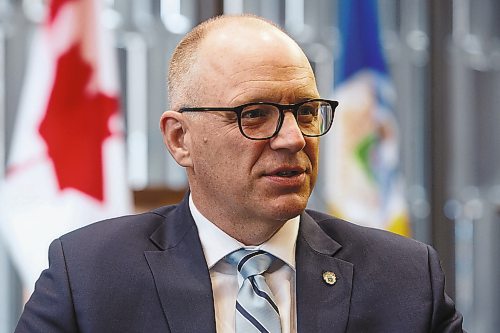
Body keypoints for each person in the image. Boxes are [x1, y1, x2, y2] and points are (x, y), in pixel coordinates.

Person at [15, 15, 463, 333]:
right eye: (256, 114)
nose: (292, 138)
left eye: (305, 112)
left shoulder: (406, 279)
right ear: (179, 139)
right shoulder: (89, 275)